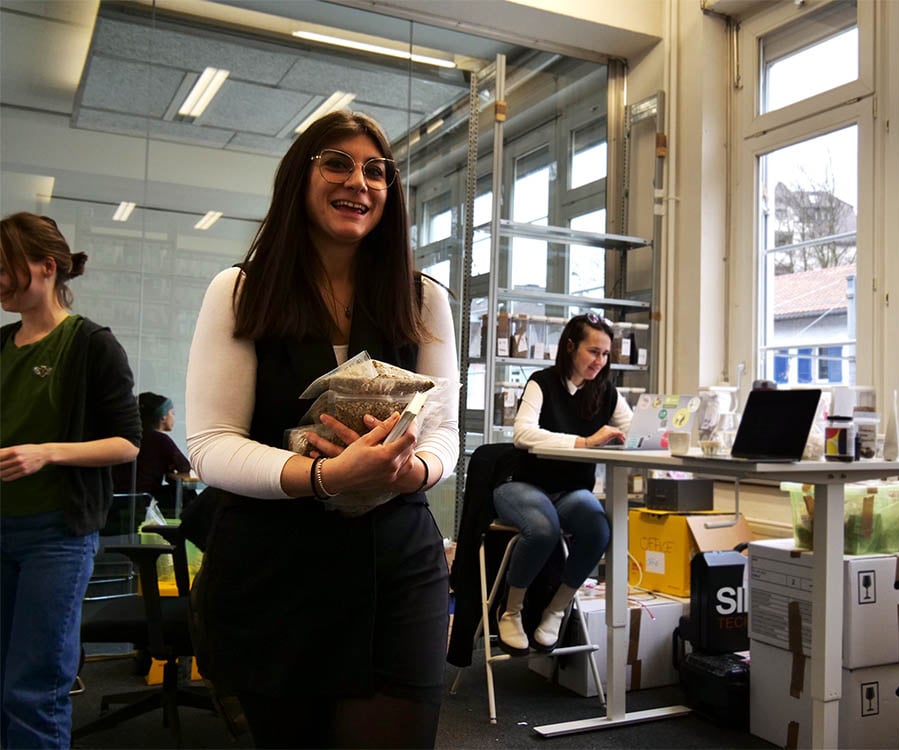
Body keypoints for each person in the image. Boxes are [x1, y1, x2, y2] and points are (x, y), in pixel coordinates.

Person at [185, 110, 459, 749]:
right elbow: (211, 444)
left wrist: (410, 470)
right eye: (336, 162)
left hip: (395, 558)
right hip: (274, 567)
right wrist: (325, 477)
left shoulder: (422, 298)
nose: (358, 182)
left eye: (375, 170)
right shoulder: (240, 291)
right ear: (297, 179)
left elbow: (445, 434)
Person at [0, 211, 141, 748]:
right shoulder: (1, 344)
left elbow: (128, 442)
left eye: (5, 266)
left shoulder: (90, 344)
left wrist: (47, 453)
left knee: (33, 687)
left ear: (46, 267)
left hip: (55, 537)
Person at [492, 313, 632, 654]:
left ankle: (556, 609)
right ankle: (511, 611)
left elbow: (635, 429)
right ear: (570, 347)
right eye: (592, 351)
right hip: (523, 485)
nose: (599, 361)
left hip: (569, 492)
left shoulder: (606, 392)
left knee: (599, 529)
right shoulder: (542, 382)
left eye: (605, 354)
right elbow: (522, 434)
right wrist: (585, 442)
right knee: (543, 528)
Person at [113, 391, 194, 509]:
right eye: (173, 413)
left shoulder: (131, 437)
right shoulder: (161, 440)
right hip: (144, 499)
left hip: (118, 499)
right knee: (187, 493)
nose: (174, 418)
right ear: (163, 417)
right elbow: (184, 466)